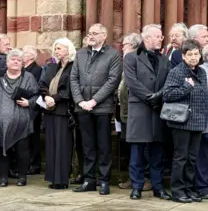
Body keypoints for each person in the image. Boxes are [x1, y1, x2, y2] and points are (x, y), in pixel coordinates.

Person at [70, 23, 122, 195]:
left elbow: (113, 80)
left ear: (104, 36)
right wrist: (80, 100)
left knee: (104, 145)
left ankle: (104, 180)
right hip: (82, 107)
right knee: (87, 145)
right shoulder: (81, 53)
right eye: (89, 33)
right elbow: (74, 78)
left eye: (95, 33)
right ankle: (89, 180)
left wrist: (94, 100)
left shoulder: (113, 55)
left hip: (102, 108)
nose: (91, 36)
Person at [123, 25, 172, 200]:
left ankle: (158, 188)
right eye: (158, 36)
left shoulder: (165, 59)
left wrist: (158, 96)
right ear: (147, 38)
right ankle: (136, 187)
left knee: (157, 153)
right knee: (137, 152)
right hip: (140, 110)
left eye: (161, 36)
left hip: (158, 110)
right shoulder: (131, 58)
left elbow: (169, 81)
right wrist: (148, 96)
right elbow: (131, 82)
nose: (161, 39)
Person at [163, 39, 208, 203]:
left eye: (196, 54)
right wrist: (186, 87)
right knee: (180, 158)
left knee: (192, 158)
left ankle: (189, 189)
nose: (194, 57)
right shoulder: (177, 72)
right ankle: (177, 190)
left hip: (198, 121)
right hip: (182, 122)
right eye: (190, 55)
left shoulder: (201, 72)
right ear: (183, 56)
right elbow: (167, 95)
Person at [0, 49, 38, 187]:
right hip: (0, 123)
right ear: (7, 62)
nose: (16, 62)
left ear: (23, 63)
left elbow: (37, 96)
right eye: (13, 59)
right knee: (1, 150)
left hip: (21, 121)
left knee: (22, 150)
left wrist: (28, 103)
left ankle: (22, 177)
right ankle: (3, 178)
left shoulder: (28, 77)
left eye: (19, 60)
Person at [39, 38, 76, 189]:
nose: (56, 51)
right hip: (49, 111)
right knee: (51, 145)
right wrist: (46, 97)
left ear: (68, 49)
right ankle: (53, 178)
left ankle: (62, 179)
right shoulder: (51, 67)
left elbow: (69, 89)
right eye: (55, 48)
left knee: (62, 145)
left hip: (63, 111)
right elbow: (42, 84)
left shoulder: (73, 67)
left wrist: (54, 99)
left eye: (59, 48)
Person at [117, 33, 151, 190]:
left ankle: (144, 179)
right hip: (125, 112)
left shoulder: (138, 60)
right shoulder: (127, 61)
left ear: (134, 46)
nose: (122, 47)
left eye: (125, 44)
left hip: (136, 112)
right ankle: (134, 177)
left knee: (141, 148)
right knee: (130, 147)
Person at [22, 45, 42, 175]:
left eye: (24, 53)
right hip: (22, 105)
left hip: (32, 106)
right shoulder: (23, 69)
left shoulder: (37, 69)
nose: (21, 55)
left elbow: (36, 88)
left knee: (33, 136)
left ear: (31, 56)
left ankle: (35, 164)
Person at [195, 45, 208, 199]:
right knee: (202, 156)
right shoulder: (202, 71)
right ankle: (202, 187)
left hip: (202, 122)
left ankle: (203, 186)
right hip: (203, 122)